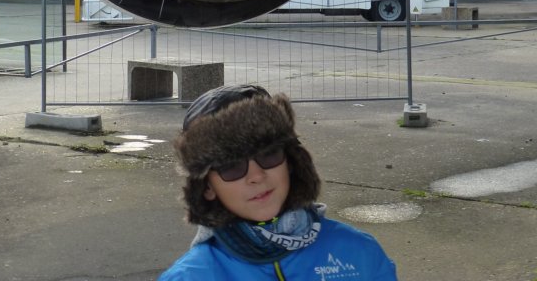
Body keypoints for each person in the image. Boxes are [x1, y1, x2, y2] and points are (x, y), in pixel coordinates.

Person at [160, 84, 398, 280]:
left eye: (269, 154)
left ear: (291, 162)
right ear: (208, 188)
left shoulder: (359, 253)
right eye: (231, 167)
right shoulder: (190, 276)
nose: (256, 176)